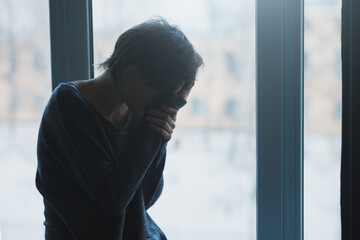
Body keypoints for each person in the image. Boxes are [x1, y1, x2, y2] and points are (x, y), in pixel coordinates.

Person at [35, 17, 203, 240]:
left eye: (167, 101)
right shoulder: (69, 105)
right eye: (162, 96)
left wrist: (161, 129)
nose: (161, 105)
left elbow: (145, 198)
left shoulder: (137, 109)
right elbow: (114, 200)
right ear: (131, 74)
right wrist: (153, 131)